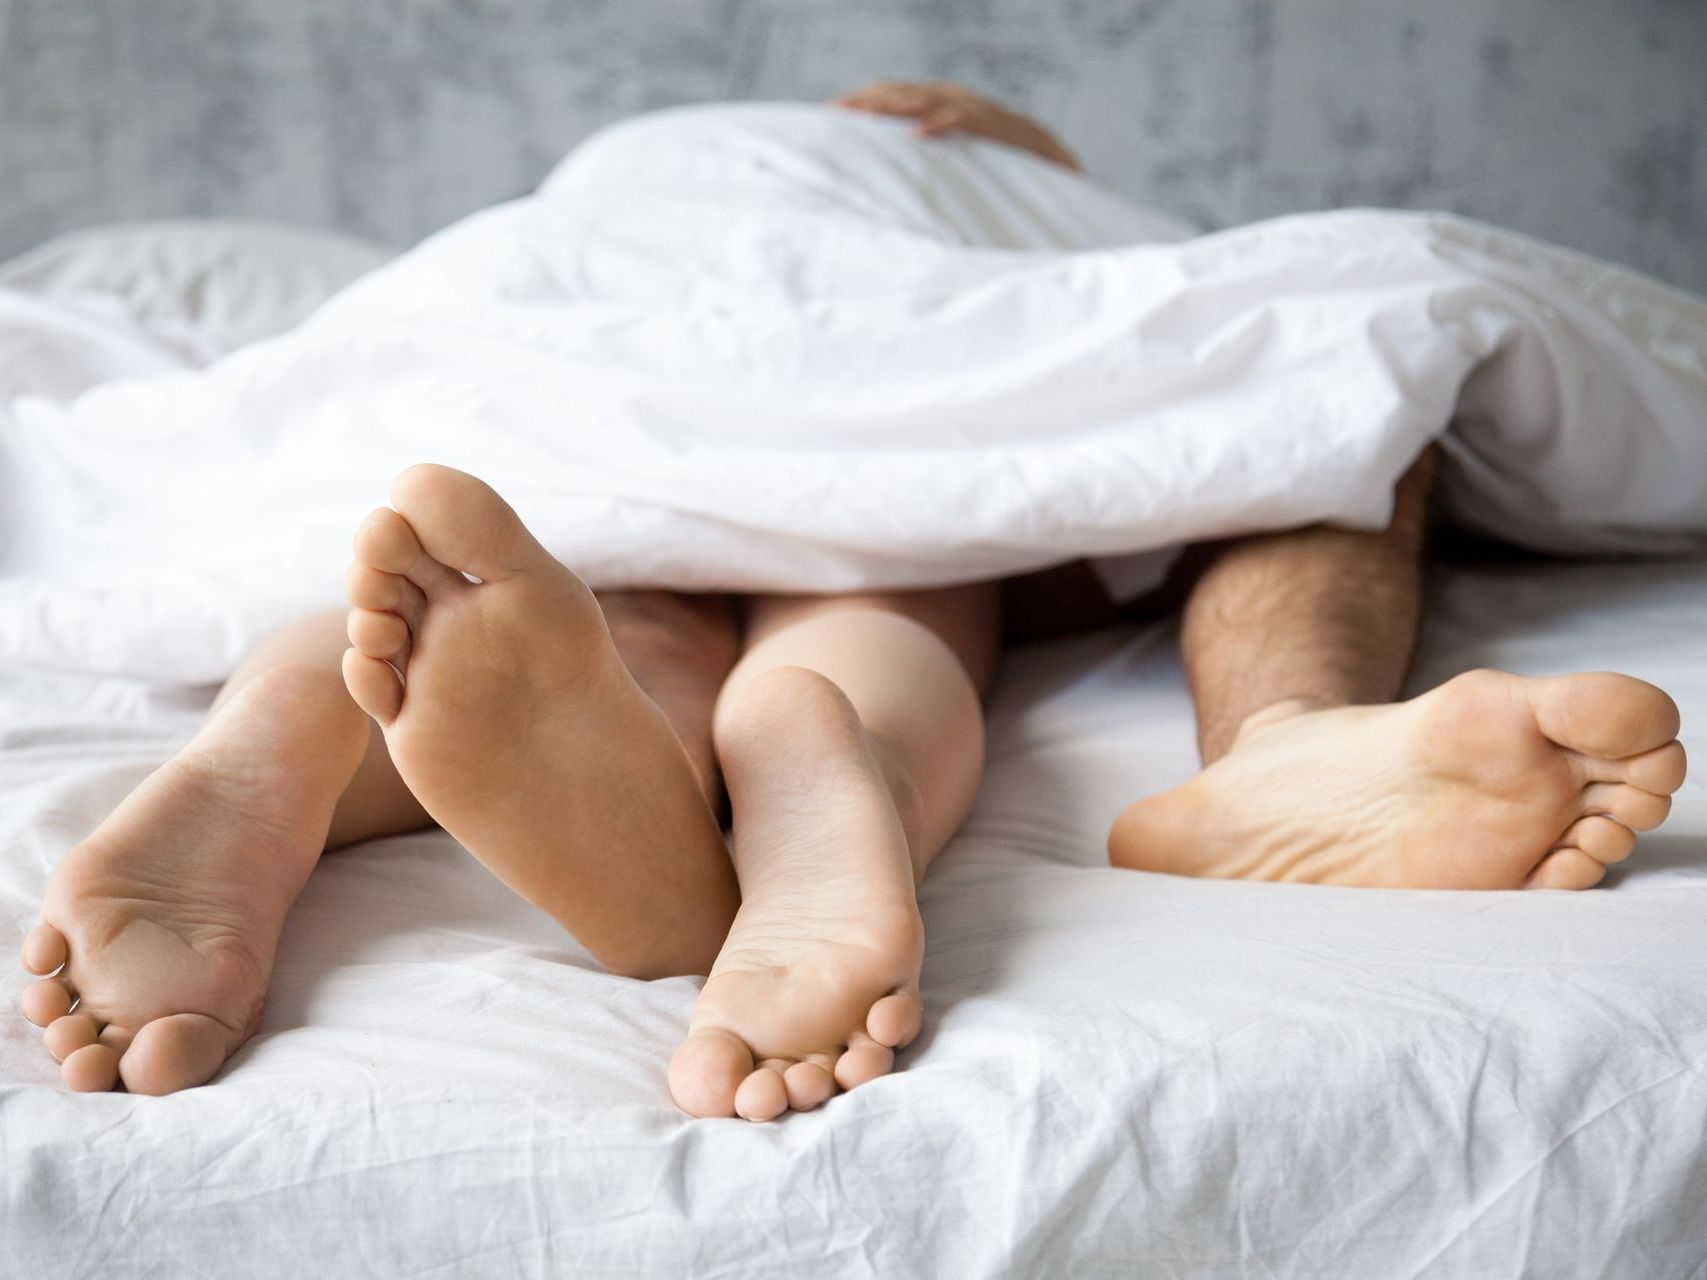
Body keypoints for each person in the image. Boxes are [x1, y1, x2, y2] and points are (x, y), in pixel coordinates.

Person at [16, 83, 1686, 1122]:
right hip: (833, 370)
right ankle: (854, 769)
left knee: (613, 601)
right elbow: (1211, 333)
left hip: (577, 378)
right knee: (950, 546)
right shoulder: (948, 174)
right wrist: (1017, 159)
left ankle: (293, 726)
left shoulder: (603, 195)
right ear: (924, 121)